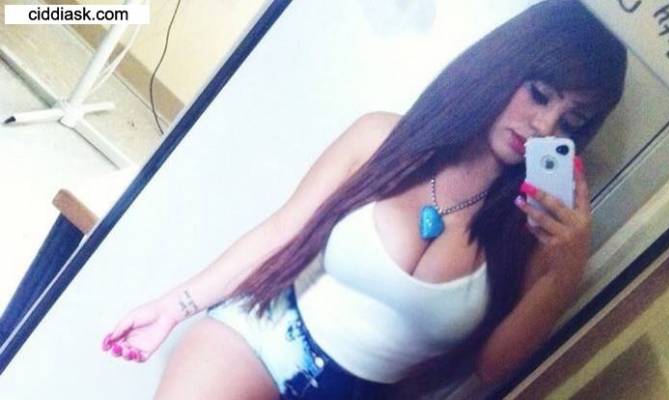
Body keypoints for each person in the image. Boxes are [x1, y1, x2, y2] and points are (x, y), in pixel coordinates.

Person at [101, 1, 627, 399]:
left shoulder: (532, 229)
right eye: (540, 94)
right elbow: (282, 230)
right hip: (261, 340)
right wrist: (176, 306)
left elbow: (492, 368)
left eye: (571, 121)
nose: (544, 126)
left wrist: (564, 273)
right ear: (504, 68)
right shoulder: (382, 140)